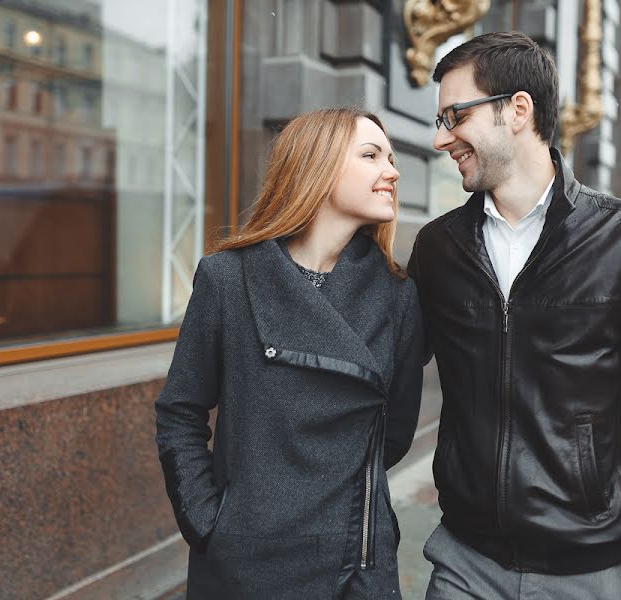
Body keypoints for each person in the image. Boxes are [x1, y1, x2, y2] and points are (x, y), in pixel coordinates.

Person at [408, 32, 621, 600]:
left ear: (517, 110)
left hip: (593, 574)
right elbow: (384, 376)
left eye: (454, 116)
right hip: (464, 565)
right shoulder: (437, 249)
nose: (439, 139)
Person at [155, 107, 425, 599]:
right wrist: (211, 525)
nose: (393, 171)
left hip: (357, 564)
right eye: (371, 155)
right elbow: (180, 413)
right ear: (315, 165)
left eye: (391, 158)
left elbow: (395, 434)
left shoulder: (397, 295)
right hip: (247, 564)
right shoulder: (228, 279)